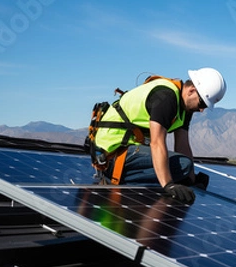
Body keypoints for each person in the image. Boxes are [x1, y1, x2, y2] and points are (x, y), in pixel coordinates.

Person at [93, 67, 227, 204]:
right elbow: (157, 143)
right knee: (182, 165)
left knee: (184, 166)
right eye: (202, 103)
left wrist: (191, 180)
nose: (202, 109)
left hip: (127, 149)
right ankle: (121, 186)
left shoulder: (185, 107)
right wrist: (168, 184)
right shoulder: (166, 98)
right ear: (192, 90)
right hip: (112, 152)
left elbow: (182, 145)